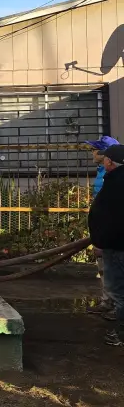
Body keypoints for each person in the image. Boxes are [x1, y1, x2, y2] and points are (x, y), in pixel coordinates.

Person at [87, 144, 124, 345]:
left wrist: (101, 240)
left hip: (116, 246)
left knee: (119, 291)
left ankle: (122, 335)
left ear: (110, 161)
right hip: (115, 242)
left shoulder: (116, 183)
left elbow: (111, 217)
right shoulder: (116, 180)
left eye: (106, 158)